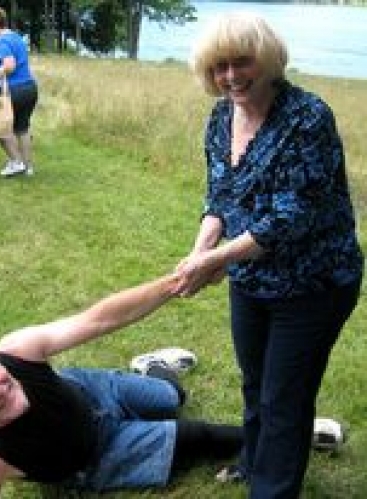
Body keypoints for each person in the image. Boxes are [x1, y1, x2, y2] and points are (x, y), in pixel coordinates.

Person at [174, 11, 364, 499]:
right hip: (252, 279)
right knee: (256, 381)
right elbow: (220, 197)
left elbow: (289, 217)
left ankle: (272, 488)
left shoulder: (308, 117)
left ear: (268, 59)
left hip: (314, 283)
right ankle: (253, 461)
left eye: (242, 62)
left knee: (285, 397)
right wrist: (199, 251)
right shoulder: (221, 118)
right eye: (220, 67)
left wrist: (217, 261)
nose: (231, 76)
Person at [0, 273, 244, 497]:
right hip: (98, 455)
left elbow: (99, 319)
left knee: (172, 398)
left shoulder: (15, 350)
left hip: (91, 391)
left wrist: (175, 283)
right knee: (198, 436)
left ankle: (151, 366)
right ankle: (270, 442)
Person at [0, 4, 37, 177]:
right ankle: (28, 167)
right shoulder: (16, 37)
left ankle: (16, 162)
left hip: (14, 90)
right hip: (30, 88)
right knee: (22, 129)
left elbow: (10, 66)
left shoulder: (2, 41)